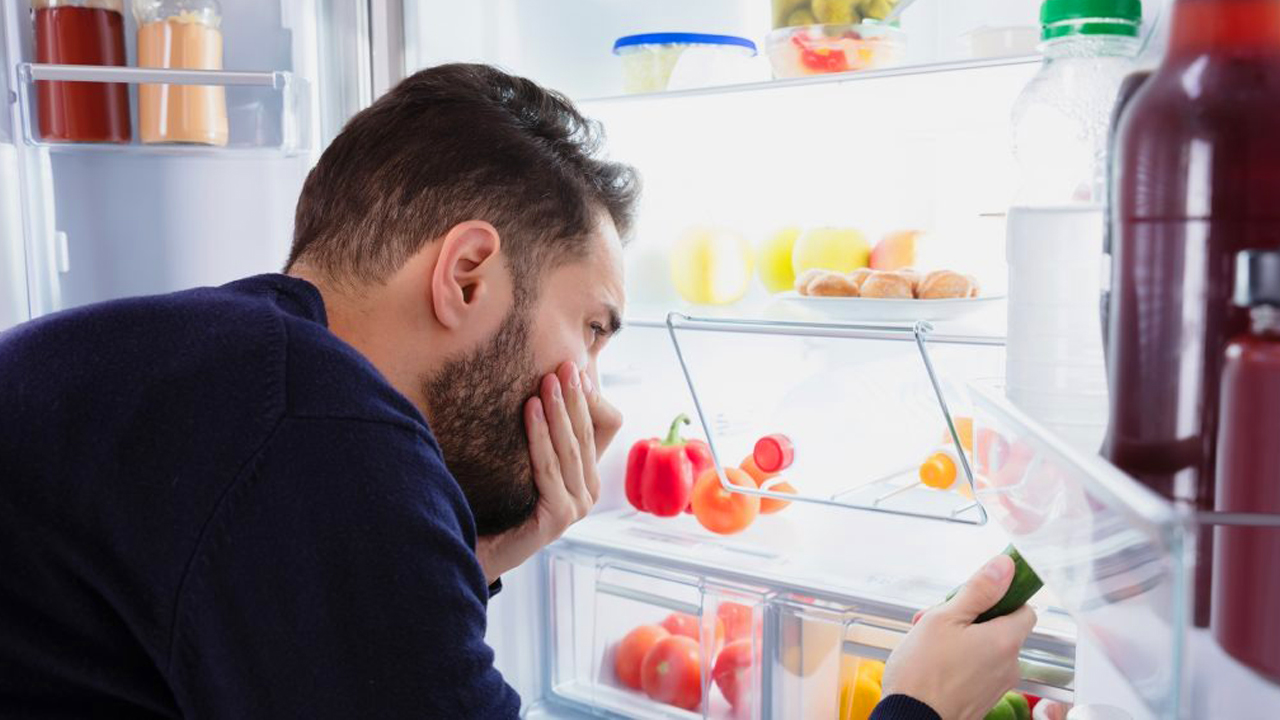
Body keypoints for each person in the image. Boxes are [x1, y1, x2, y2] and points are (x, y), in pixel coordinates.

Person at [0, 63, 1035, 719]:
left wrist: (487, 550)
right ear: (464, 275)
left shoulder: (235, 370)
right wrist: (917, 711)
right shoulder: (319, 428)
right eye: (590, 329)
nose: (595, 394)